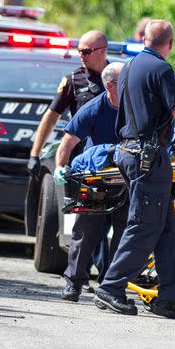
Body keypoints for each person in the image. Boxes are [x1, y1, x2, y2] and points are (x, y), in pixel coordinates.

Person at [94, 19, 175, 319]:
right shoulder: (161, 69)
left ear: (145, 39)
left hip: (130, 151)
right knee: (144, 225)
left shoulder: (128, 67)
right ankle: (111, 287)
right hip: (147, 157)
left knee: (167, 230)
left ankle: (168, 296)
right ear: (170, 44)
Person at [52, 62, 128, 302]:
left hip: (125, 179)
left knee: (124, 232)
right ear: (110, 86)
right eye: (123, 81)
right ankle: (73, 283)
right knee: (86, 232)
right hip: (96, 178)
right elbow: (68, 141)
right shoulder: (94, 108)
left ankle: (110, 285)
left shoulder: (134, 106)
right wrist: (60, 168)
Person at [27, 30, 110, 176]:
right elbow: (52, 116)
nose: (81, 56)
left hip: (111, 151)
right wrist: (35, 154)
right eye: (79, 51)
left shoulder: (118, 77)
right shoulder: (73, 80)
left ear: (103, 51)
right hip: (81, 154)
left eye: (86, 51)